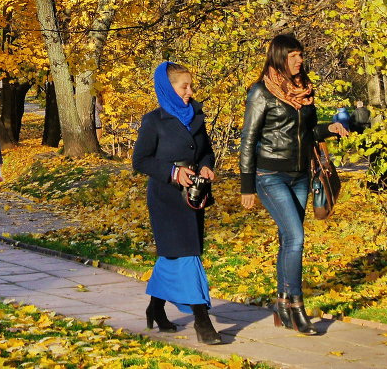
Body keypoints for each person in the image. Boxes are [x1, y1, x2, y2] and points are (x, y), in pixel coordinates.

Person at [239, 33, 349, 334]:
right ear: (279, 58)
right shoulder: (261, 92)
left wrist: (330, 127)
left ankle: (282, 305)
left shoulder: (303, 89)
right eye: (293, 56)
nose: (299, 60)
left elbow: (307, 130)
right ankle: (297, 305)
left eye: (300, 54)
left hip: (301, 174)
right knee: (296, 237)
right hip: (269, 175)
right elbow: (248, 139)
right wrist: (247, 185)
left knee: (289, 240)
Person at [132, 61, 223, 344]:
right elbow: (140, 161)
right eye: (184, 86)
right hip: (166, 199)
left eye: (191, 85)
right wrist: (173, 172)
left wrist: (207, 166)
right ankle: (202, 321)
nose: (190, 91)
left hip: (194, 196)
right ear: (168, 88)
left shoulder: (196, 115)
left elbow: (206, 151)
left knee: (173, 254)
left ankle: (155, 309)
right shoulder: (153, 121)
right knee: (187, 256)